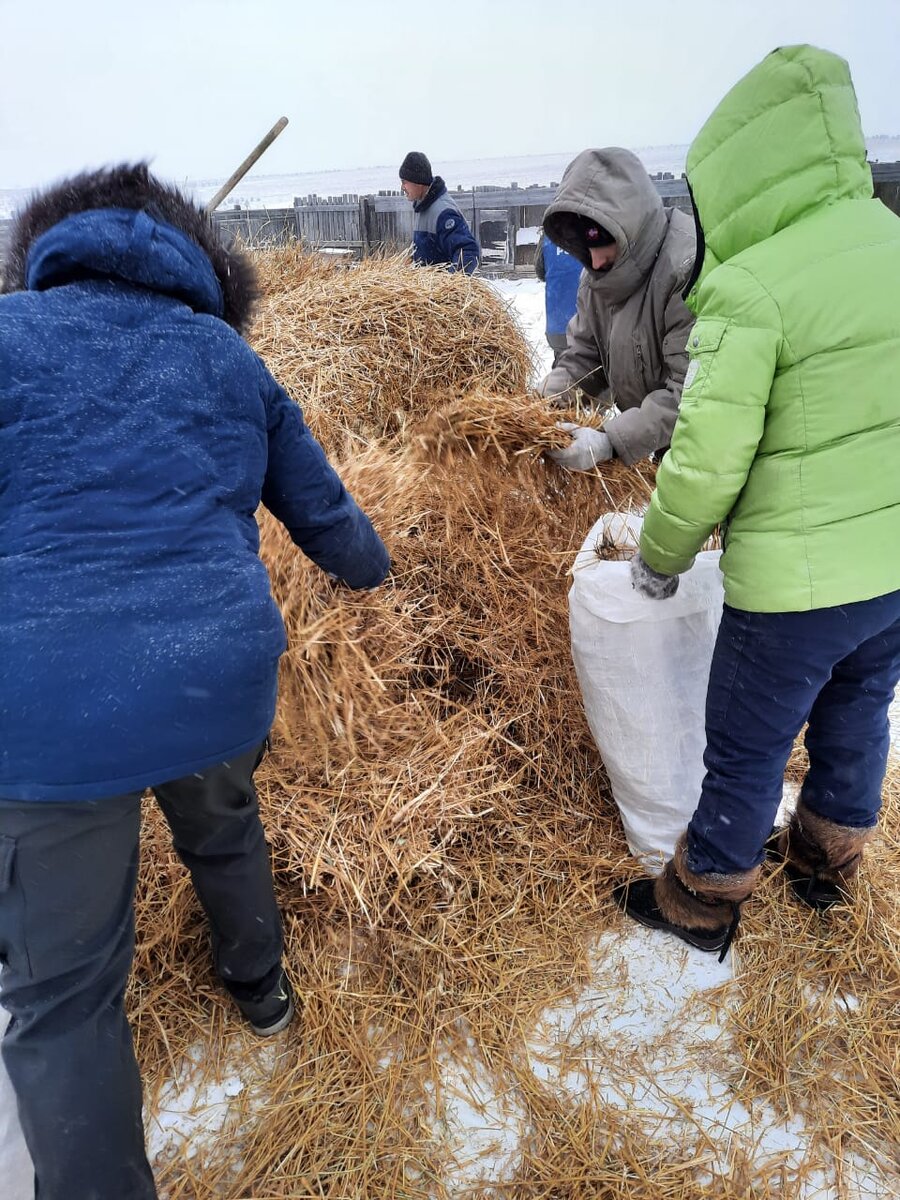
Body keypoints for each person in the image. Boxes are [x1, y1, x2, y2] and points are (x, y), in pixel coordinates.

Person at [0, 163, 390, 1200]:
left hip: (47, 710)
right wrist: (374, 567)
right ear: (203, 267)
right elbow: (333, 523)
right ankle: (260, 990)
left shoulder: (6, 341)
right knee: (222, 828)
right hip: (211, 680)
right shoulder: (226, 357)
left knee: (63, 997)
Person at [615, 45, 900, 959]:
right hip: (892, 568)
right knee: (860, 708)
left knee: (747, 739)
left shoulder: (753, 285)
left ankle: (702, 898)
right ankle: (825, 862)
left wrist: (660, 557)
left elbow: (703, 461)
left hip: (797, 585)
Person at [538, 147, 695, 469]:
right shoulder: (596, 280)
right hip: (663, 448)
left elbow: (692, 393)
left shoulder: (686, 267)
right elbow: (585, 359)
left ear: (630, 227)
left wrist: (612, 440)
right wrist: (540, 406)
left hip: (709, 450)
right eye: (585, 251)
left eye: (602, 245)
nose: (595, 262)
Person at [399, 150, 480, 274]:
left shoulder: (443, 212)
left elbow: (467, 251)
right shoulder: (423, 207)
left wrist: (450, 285)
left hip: (442, 292)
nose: (402, 188)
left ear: (418, 182)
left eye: (405, 182)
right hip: (427, 290)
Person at [533, 230, 582, 366]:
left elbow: (540, 270)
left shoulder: (550, 231)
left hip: (558, 327)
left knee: (562, 373)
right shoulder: (594, 228)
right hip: (590, 326)